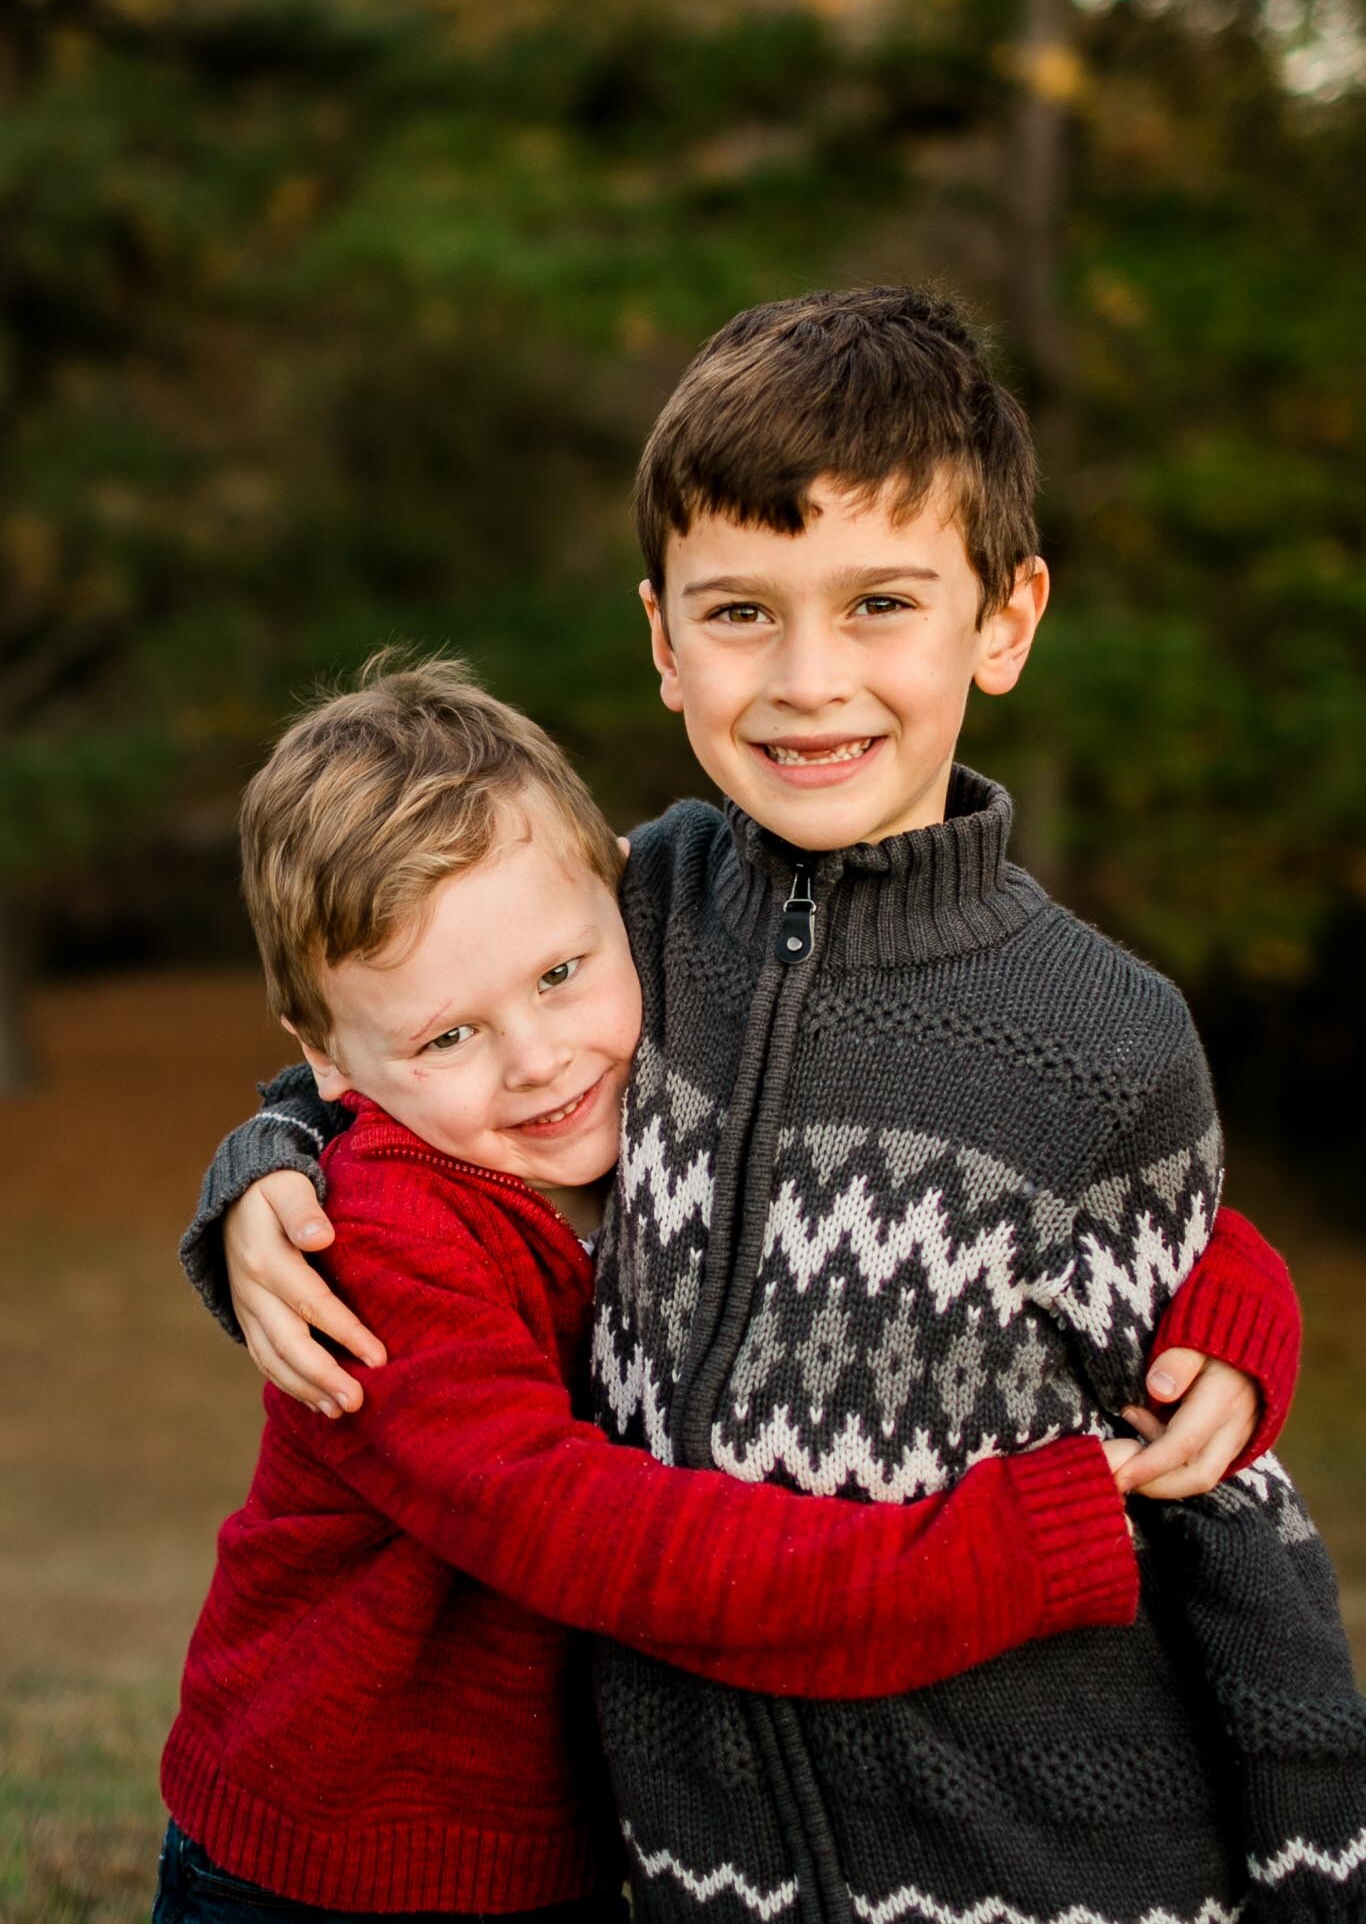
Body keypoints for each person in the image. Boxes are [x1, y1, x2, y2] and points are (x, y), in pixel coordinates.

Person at [181, 289, 1363, 1921]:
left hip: (984, 1840)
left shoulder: (1095, 1023)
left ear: (1004, 622)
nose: (811, 679)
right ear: (663, 638)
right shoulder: (648, 906)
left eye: (880, 600)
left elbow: (1093, 1205)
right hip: (514, 1846)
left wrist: (1235, 1288)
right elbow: (386, 1046)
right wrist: (260, 1168)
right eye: (741, 612)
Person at [156, 656, 1155, 1924]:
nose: (538, 1060)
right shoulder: (388, 1235)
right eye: (446, 1036)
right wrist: (976, 1563)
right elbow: (597, 1535)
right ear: (327, 1060)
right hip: (333, 1868)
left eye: (561, 973)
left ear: (620, 907)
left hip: (562, 1840)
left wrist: (1223, 1288)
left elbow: (982, 1154)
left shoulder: (668, 1098)